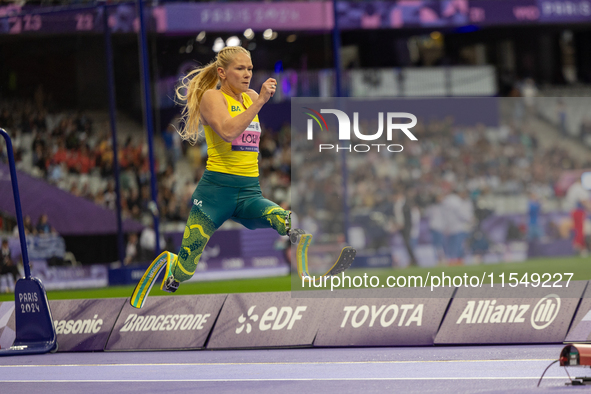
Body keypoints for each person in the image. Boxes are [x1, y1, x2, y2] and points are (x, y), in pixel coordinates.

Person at [157, 46, 296, 292]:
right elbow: (229, 131)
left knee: (282, 219)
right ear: (222, 72)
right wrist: (262, 100)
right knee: (187, 270)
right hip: (215, 193)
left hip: (249, 192)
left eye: (250, 69)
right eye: (240, 68)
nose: (247, 74)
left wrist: (257, 100)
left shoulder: (251, 97)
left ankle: (302, 243)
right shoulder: (213, 97)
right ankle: (175, 269)